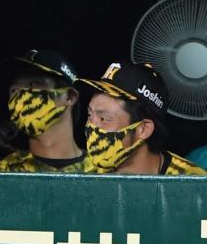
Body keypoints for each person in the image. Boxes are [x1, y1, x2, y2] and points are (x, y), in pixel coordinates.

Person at [77, 61, 205, 175]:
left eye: (104, 119)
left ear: (144, 129)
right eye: (89, 115)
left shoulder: (192, 183)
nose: (89, 126)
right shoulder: (80, 177)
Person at [0, 49, 84, 173]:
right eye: (14, 90)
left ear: (69, 96)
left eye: (34, 84)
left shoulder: (105, 174)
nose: (21, 95)